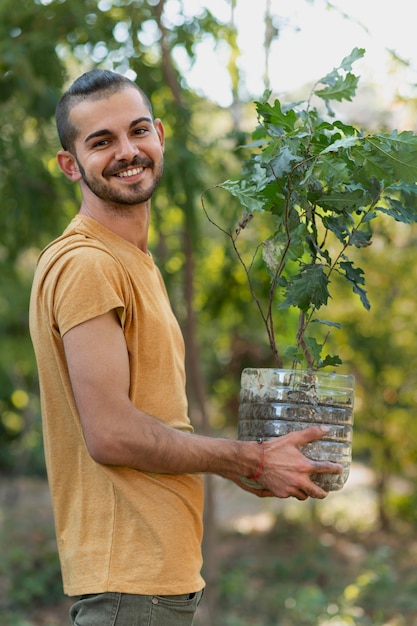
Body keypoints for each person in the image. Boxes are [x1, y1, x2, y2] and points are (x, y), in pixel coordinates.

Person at [29, 69, 342, 626]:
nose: (127, 152)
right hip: (131, 588)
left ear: (160, 136)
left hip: (153, 583)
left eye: (138, 131)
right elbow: (111, 433)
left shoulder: (132, 262)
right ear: (70, 164)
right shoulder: (88, 265)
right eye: (101, 142)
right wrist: (250, 459)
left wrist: (259, 464)